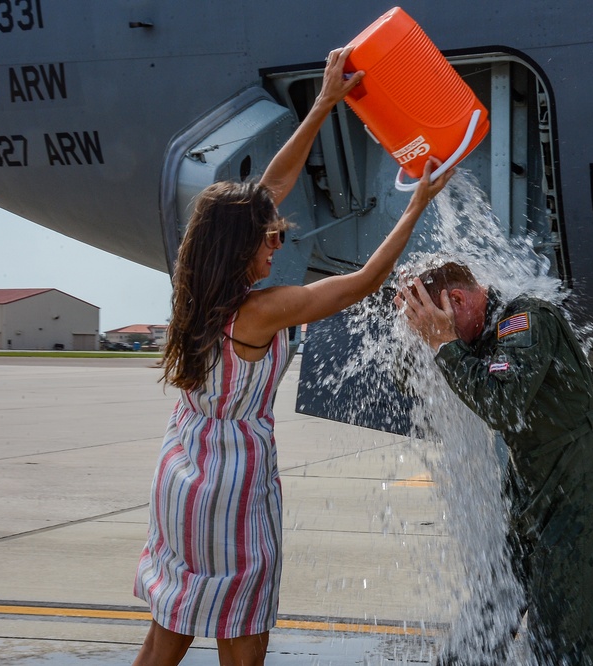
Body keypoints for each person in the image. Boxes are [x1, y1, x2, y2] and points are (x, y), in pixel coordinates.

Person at [131, 46, 453, 666]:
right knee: (244, 636)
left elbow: (267, 189)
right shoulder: (258, 310)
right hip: (230, 486)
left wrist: (325, 104)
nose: (276, 247)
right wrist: (414, 207)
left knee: (168, 631)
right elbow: (359, 283)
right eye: (269, 240)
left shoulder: (196, 290)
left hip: (182, 474)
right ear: (241, 247)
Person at [395, 262, 593, 665]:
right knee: (484, 620)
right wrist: (429, 337)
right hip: (527, 488)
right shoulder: (481, 328)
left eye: (429, 319)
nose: (427, 333)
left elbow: (502, 405)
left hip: (575, 491)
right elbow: (417, 381)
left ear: (458, 300)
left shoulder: (526, 320)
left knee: (560, 640)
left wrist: (446, 344)